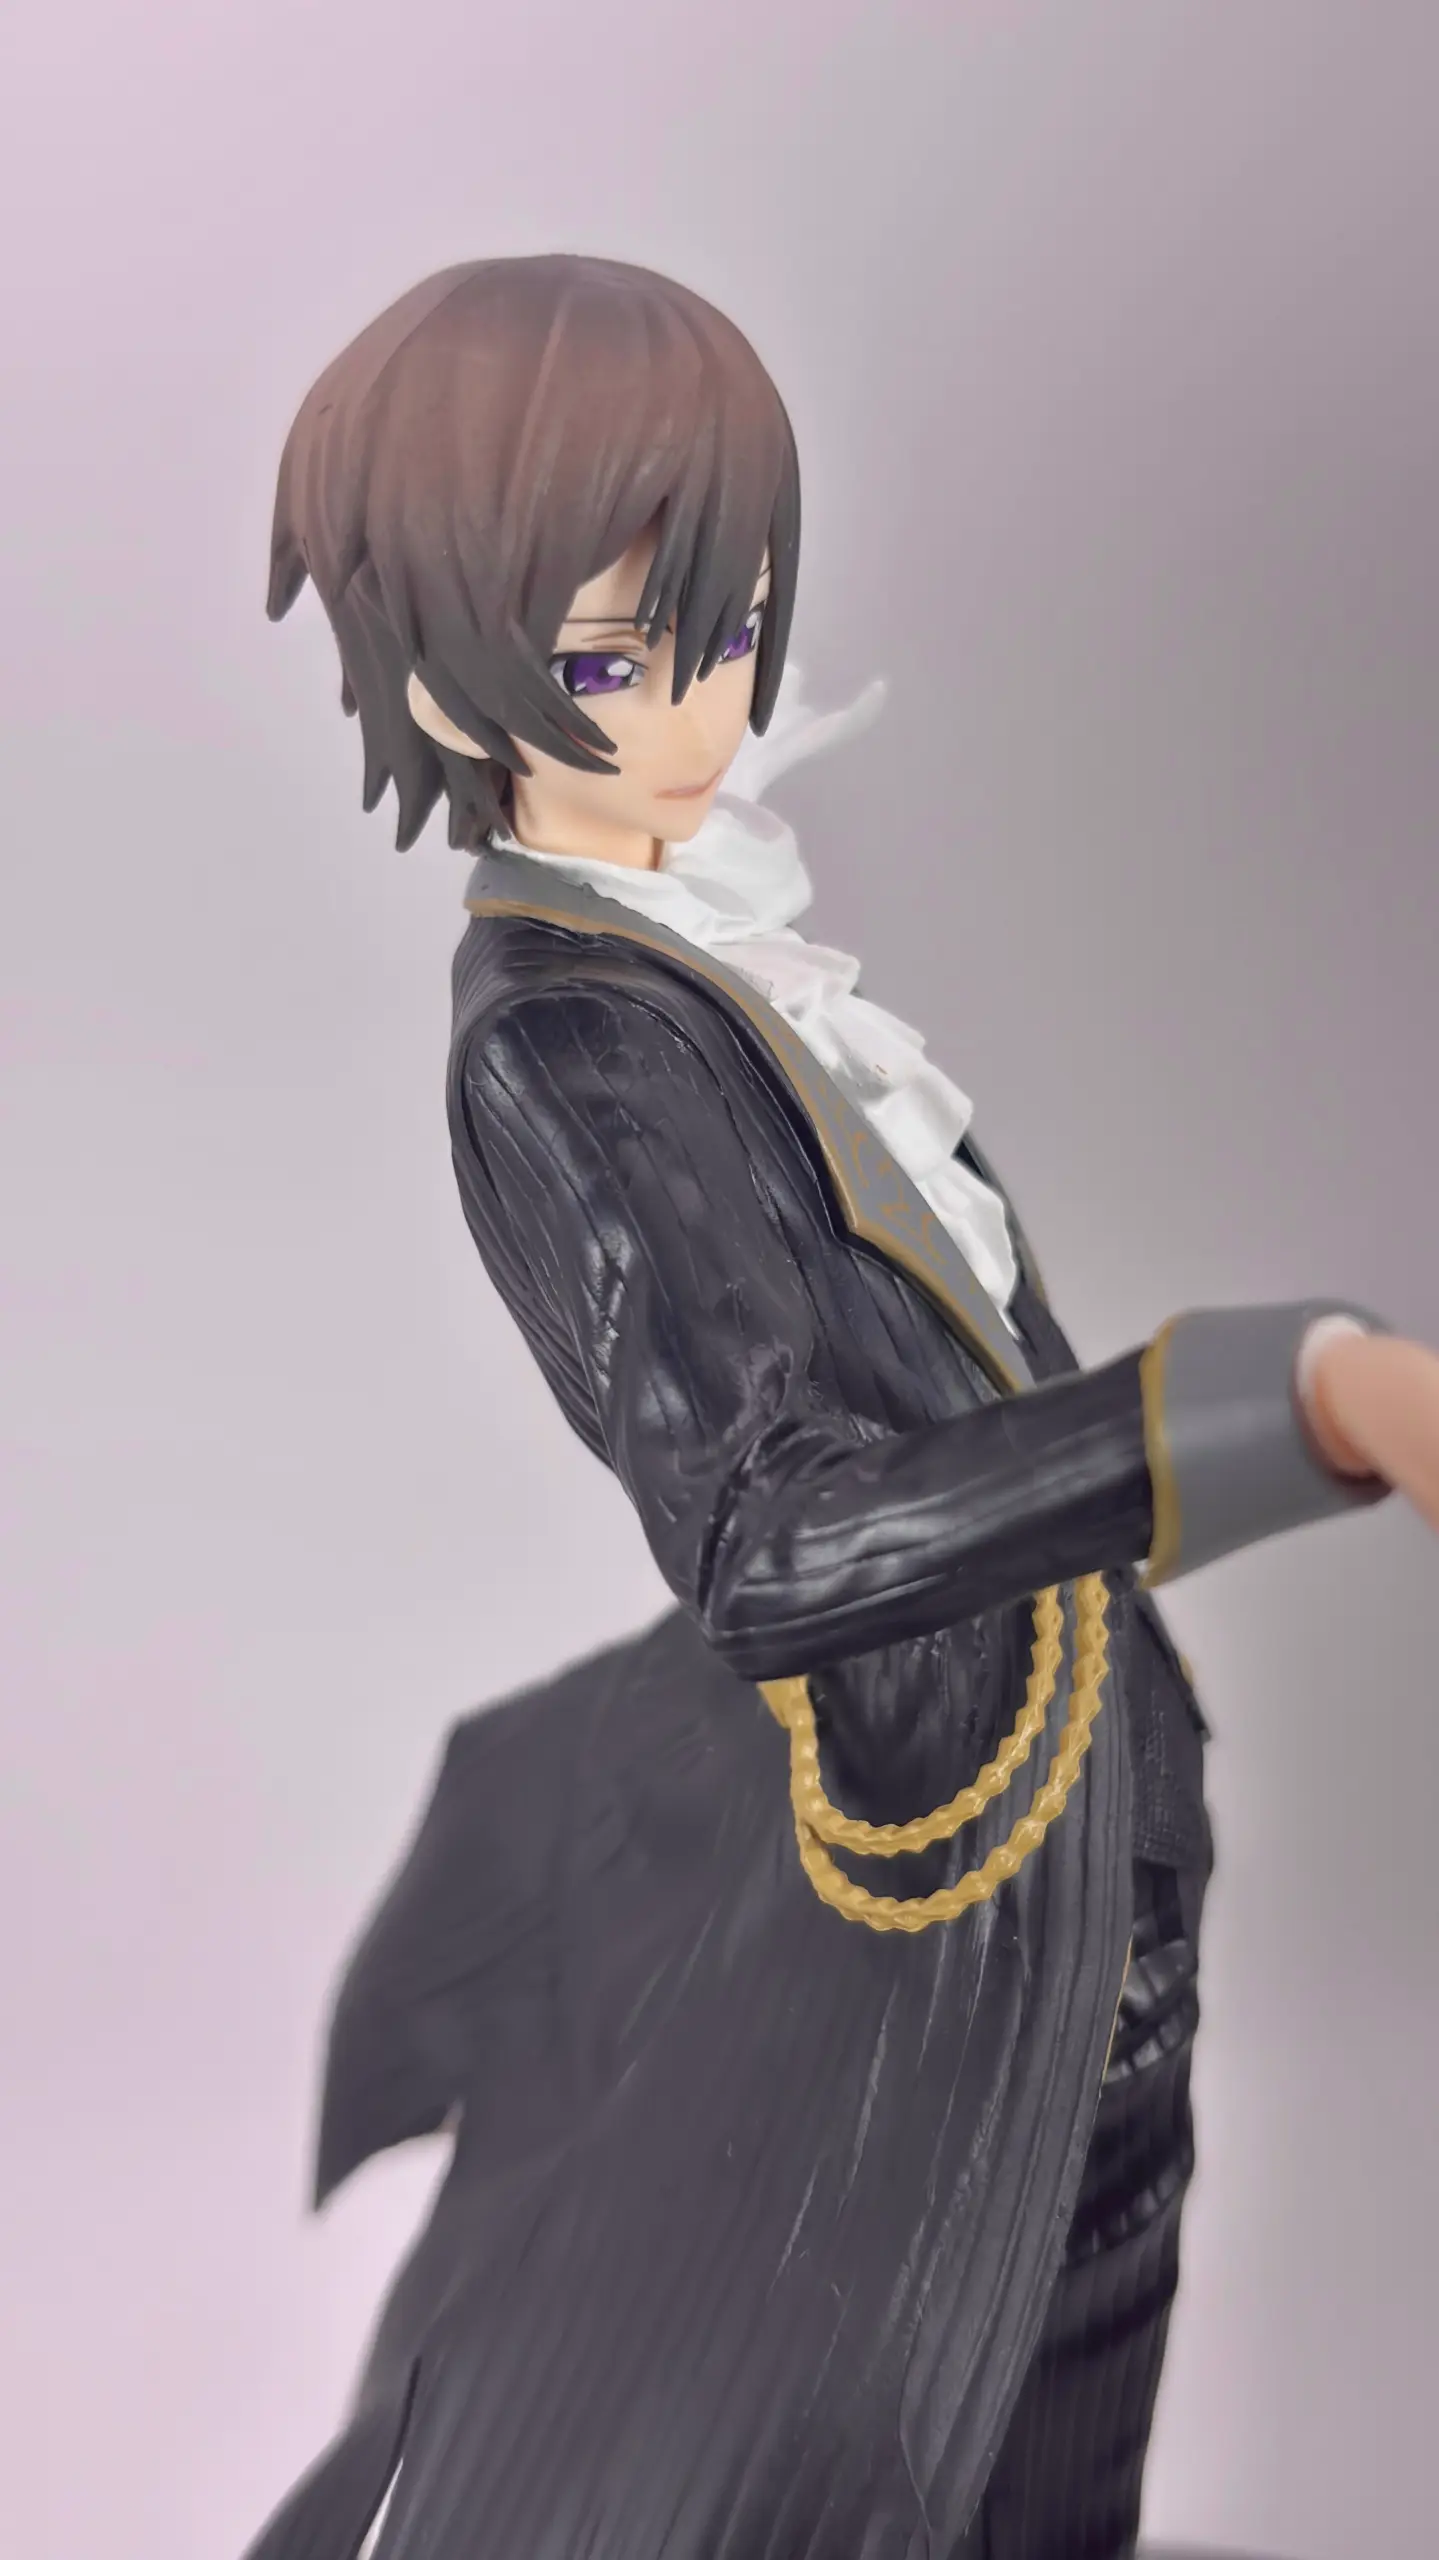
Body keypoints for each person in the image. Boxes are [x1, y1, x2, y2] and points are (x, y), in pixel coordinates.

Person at [247, 255, 1439, 2560]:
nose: (702, 701)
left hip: (1068, 1847)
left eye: (728, 619)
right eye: (618, 658)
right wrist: (1269, 1401)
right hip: (939, 1942)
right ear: (445, 672)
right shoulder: (572, 1043)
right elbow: (777, 1537)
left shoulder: (706, 953)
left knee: (1043, 2476)